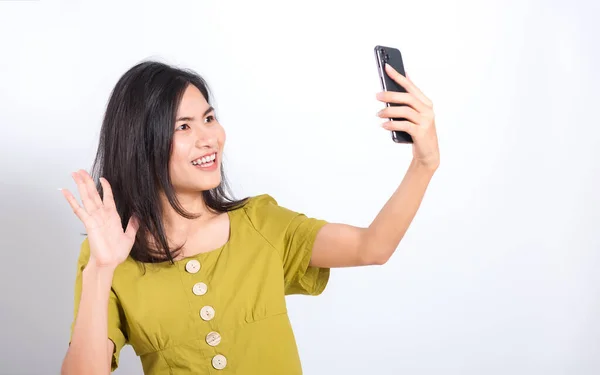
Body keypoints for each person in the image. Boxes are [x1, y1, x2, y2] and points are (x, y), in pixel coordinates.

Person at [59, 60, 439, 375]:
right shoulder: (106, 257)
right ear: (142, 144)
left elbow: (371, 247)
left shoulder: (260, 223)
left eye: (209, 118)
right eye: (184, 127)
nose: (209, 137)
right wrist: (101, 270)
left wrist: (425, 163)